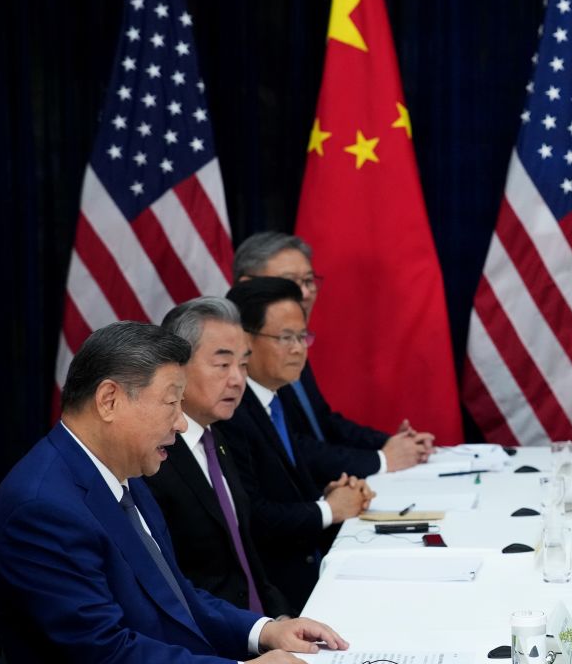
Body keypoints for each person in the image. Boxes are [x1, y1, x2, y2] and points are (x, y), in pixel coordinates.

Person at [0, 322, 348, 662]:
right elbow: (105, 652)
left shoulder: (125, 475)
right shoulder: (42, 510)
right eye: (172, 403)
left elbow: (176, 597)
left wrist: (264, 631)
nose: (182, 422)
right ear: (109, 400)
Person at [221, 277, 376, 610]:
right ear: (245, 340)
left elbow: (285, 487)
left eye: (302, 336)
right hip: (276, 599)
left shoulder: (277, 395)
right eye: (285, 338)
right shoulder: (230, 411)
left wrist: (331, 496)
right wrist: (329, 509)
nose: (298, 348)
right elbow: (252, 516)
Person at [234, 231, 433, 471]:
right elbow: (287, 446)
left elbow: (322, 422)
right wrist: (381, 459)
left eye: (308, 281)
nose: (304, 293)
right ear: (248, 286)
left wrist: (392, 444)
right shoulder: (239, 356)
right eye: (290, 283)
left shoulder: (294, 340)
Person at [146, 297, 294, 617]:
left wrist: (280, 617)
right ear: (176, 368)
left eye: (243, 365)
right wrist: (256, 635)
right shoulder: (151, 458)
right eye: (223, 364)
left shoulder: (219, 438)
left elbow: (248, 559)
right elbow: (172, 588)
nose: (238, 380)